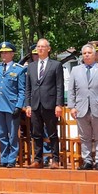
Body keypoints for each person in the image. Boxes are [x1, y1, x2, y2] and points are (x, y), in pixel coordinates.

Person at [69, 45, 98, 170]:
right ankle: (87, 161)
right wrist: (71, 107)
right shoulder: (75, 70)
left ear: (95, 55)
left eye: (89, 53)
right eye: (84, 53)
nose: (87, 55)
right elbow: (71, 90)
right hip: (81, 108)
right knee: (84, 137)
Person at [24, 39, 66, 168]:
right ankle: (38, 159)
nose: (40, 49)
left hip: (50, 104)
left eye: (43, 46)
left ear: (49, 49)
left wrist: (59, 104)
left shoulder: (56, 65)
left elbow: (60, 86)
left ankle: (55, 160)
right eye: (38, 47)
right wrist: (28, 105)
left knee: (52, 133)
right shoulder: (31, 66)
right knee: (36, 134)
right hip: (35, 104)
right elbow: (28, 88)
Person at [0, 42, 27, 167]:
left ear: (12, 54)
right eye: (1, 53)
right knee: (2, 134)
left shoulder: (19, 69)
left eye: (6, 52)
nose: (3, 55)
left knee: (13, 134)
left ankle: (12, 159)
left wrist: (19, 106)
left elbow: (22, 90)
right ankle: (4, 159)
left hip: (11, 106)